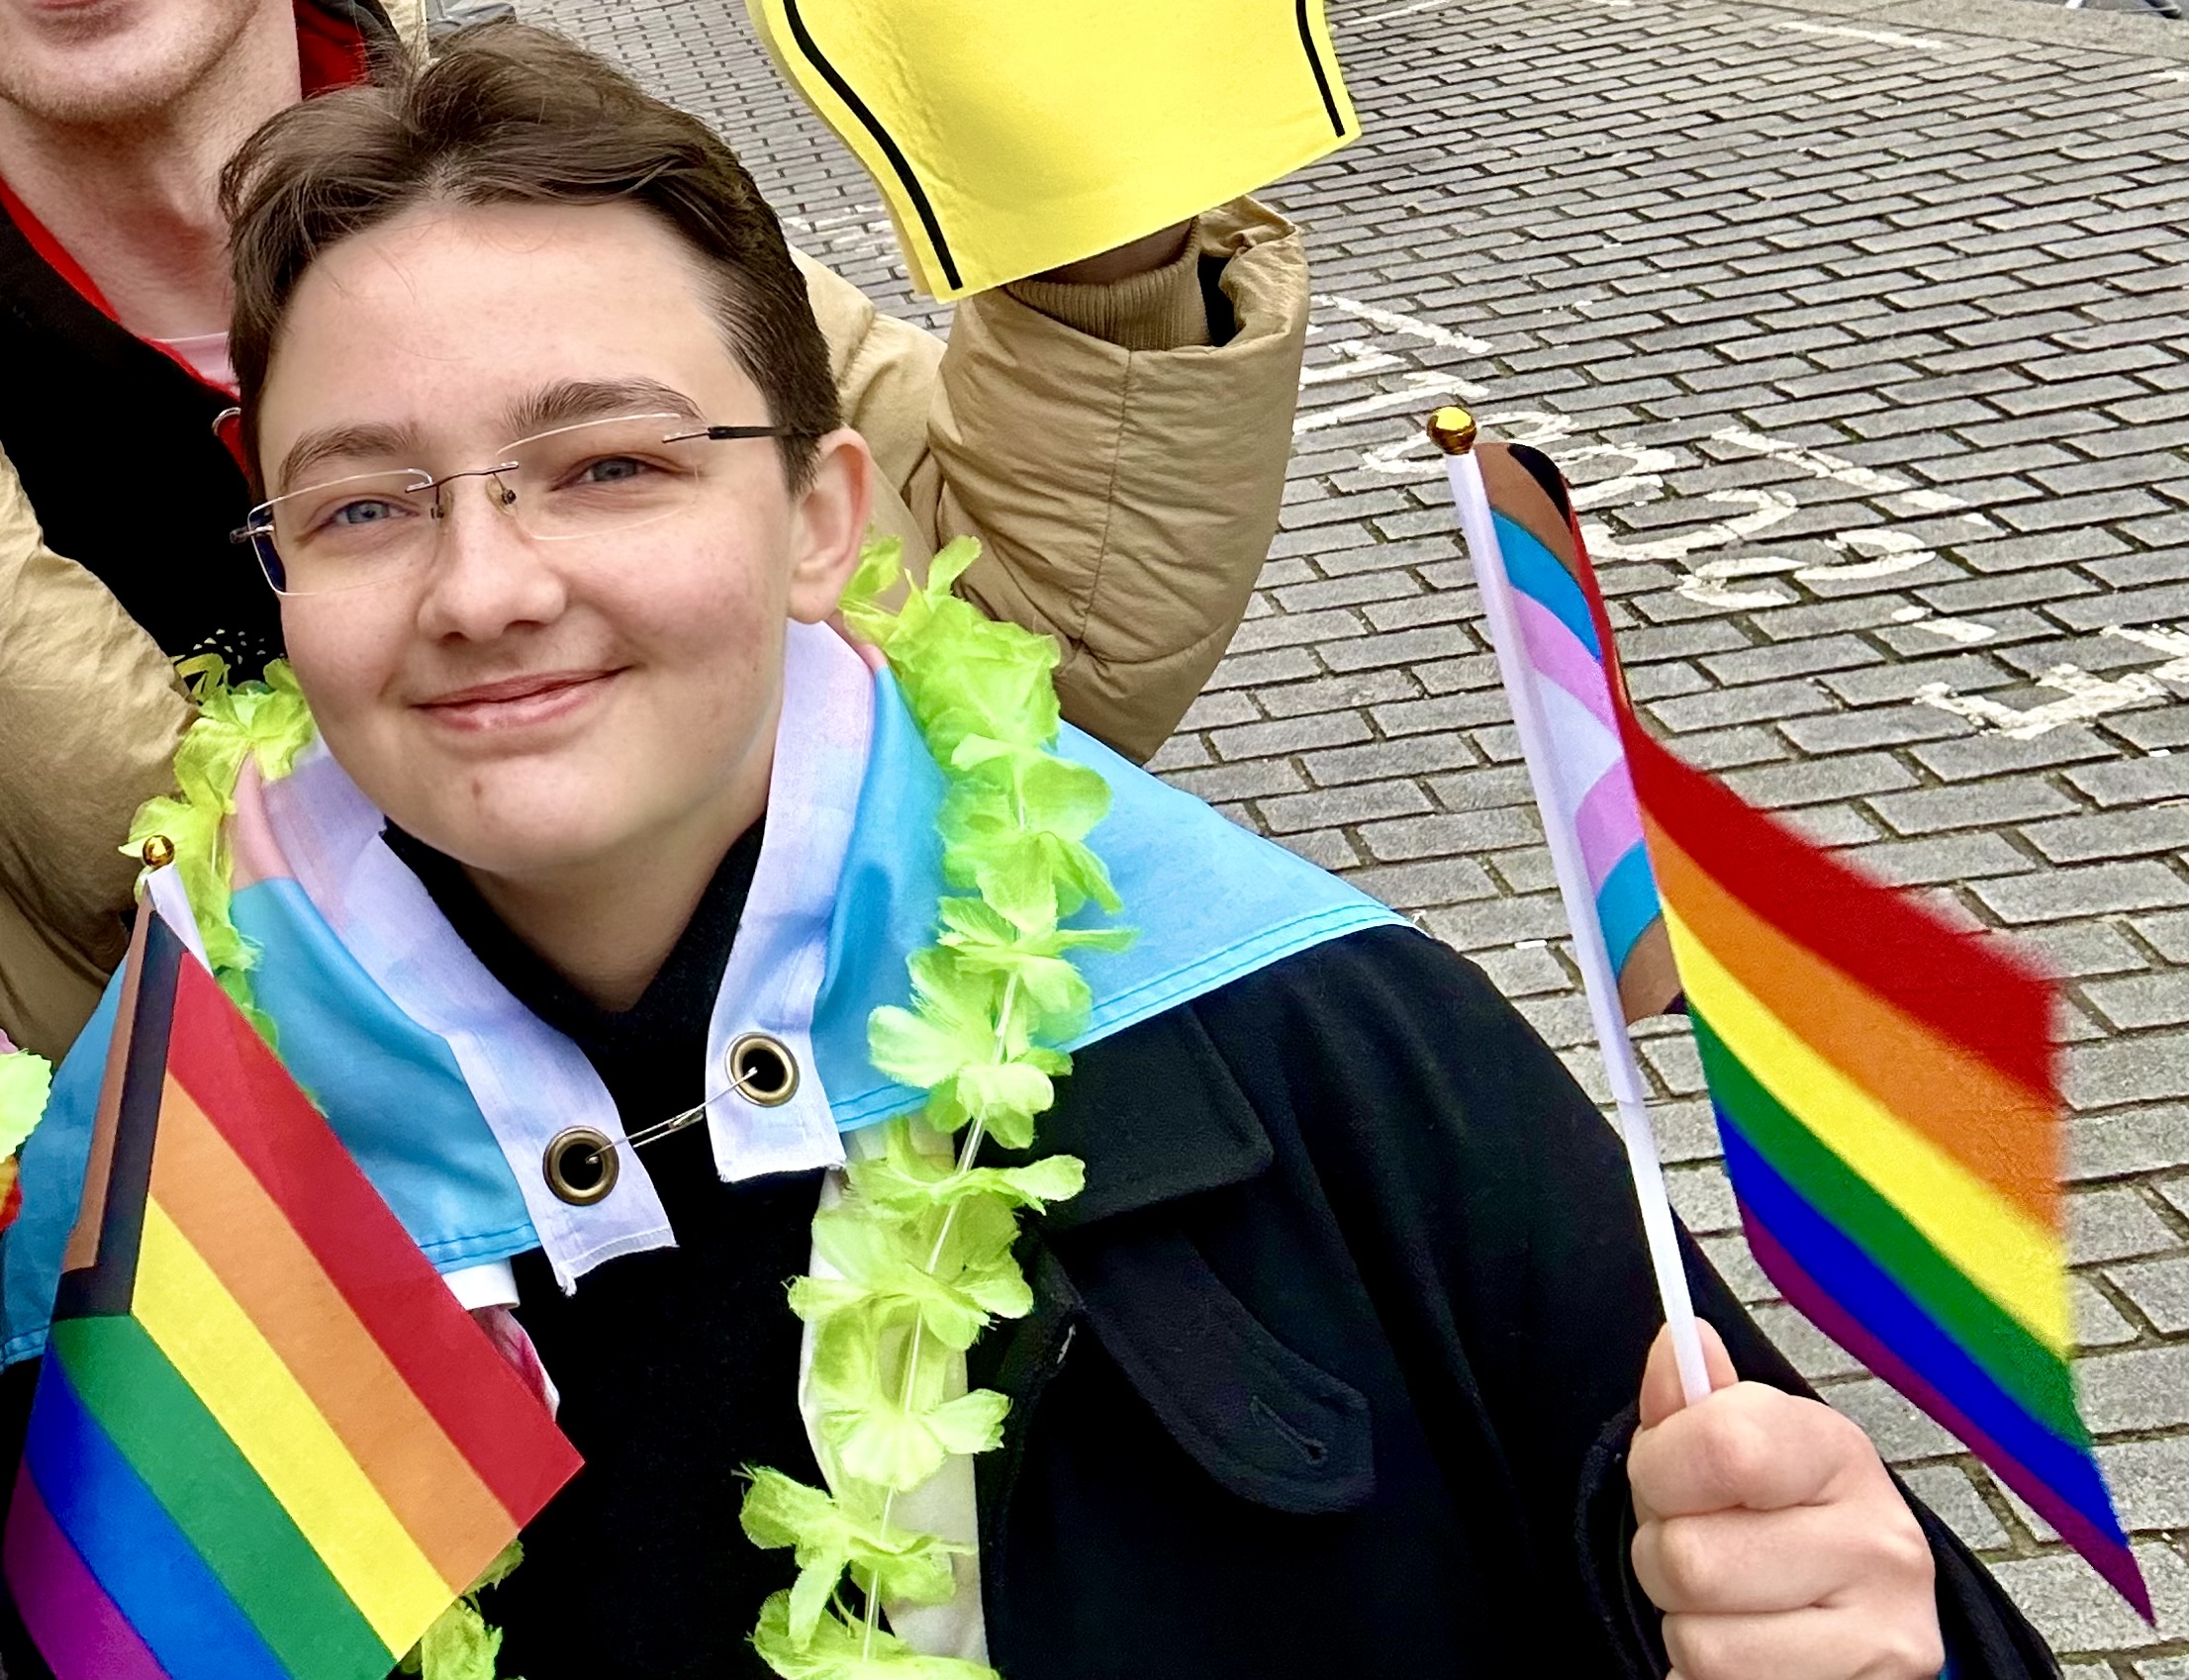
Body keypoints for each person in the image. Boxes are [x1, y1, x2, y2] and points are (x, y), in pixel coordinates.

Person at [0, 30, 2057, 1680]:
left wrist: (1869, 1646)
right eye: (363, 507)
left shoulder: (1328, 1058)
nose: (486, 583)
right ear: (279, 578)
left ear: (823, 519)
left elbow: (1806, 1584)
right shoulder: (154, 1210)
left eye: (608, 464)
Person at [0, 0, 1309, 1063]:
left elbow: (1032, 674)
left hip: (877, 1189)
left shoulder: (565, 167)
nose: (486, 592)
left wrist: (1098, 236)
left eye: (608, 463)